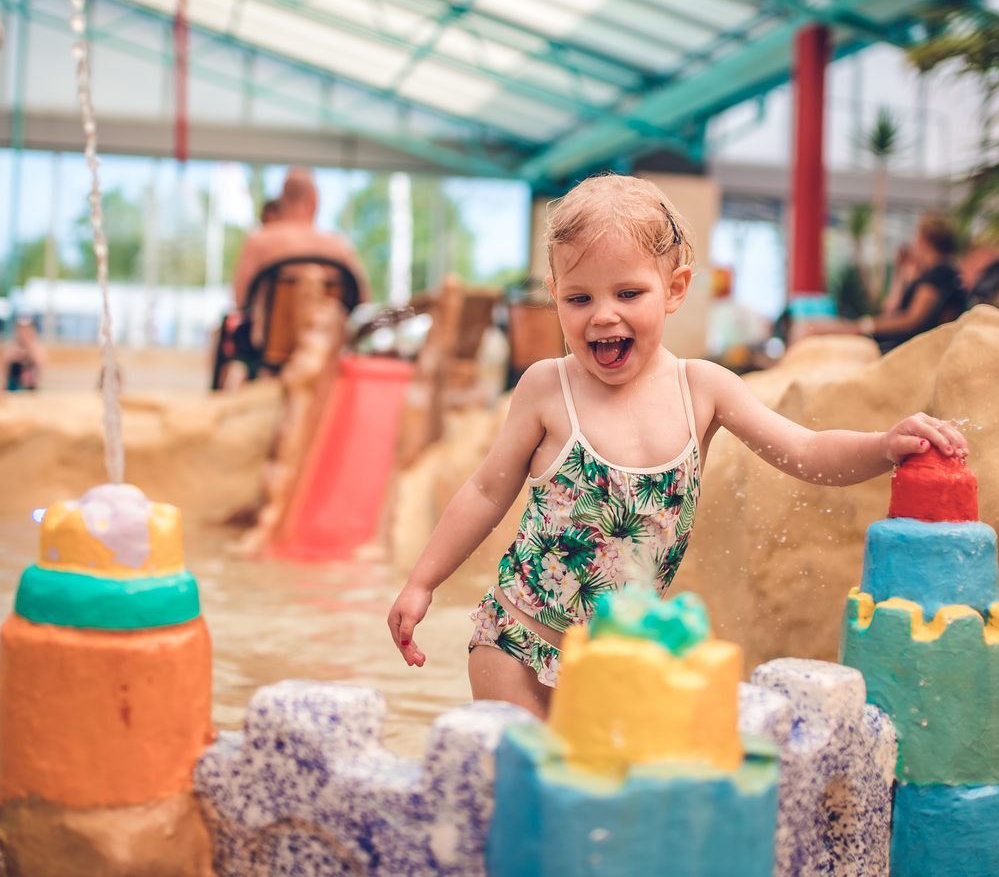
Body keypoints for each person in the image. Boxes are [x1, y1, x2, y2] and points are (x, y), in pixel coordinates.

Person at [385, 175, 969, 717]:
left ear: (675, 288)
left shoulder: (703, 390)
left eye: (628, 292)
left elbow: (807, 452)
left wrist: (885, 445)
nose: (602, 315)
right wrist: (422, 582)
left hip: (619, 663)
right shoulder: (546, 388)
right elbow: (486, 490)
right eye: (579, 298)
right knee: (517, 797)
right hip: (516, 641)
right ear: (555, 295)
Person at [802, 214, 968, 353]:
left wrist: (867, 326)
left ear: (925, 241)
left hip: (900, 344)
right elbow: (890, 308)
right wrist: (900, 276)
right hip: (894, 338)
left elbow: (913, 320)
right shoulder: (934, 273)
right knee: (812, 327)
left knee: (812, 329)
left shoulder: (940, 273)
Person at [230, 170, 370, 309]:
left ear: (282, 201)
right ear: (315, 202)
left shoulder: (259, 240)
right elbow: (363, 301)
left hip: (270, 331)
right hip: (326, 331)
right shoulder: (340, 246)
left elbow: (240, 299)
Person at [0, 316, 44, 392]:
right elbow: (2, 372)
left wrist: (29, 347)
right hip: (12, 389)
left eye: (27, 329)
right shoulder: (10, 349)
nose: (23, 332)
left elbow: (41, 369)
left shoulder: (37, 350)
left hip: (30, 391)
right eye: (21, 329)